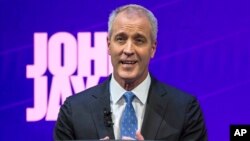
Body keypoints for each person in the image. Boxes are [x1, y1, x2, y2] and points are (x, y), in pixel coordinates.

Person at [54, 4, 207, 140]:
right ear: (108, 45)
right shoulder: (74, 111)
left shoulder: (184, 109)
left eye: (139, 40)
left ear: (153, 48)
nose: (128, 50)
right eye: (120, 39)